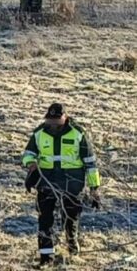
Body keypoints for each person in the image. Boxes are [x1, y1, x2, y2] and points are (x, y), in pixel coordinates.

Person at [22, 103, 102, 265]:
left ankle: (72, 242)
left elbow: (90, 163)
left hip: (72, 183)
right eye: (50, 121)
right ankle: (46, 259)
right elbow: (28, 154)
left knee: (70, 218)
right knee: (45, 220)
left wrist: (94, 189)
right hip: (46, 182)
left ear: (64, 118)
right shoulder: (39, 133)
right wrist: (31, 164)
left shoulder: (78, 133)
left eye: (56, 121)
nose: (52, 125)